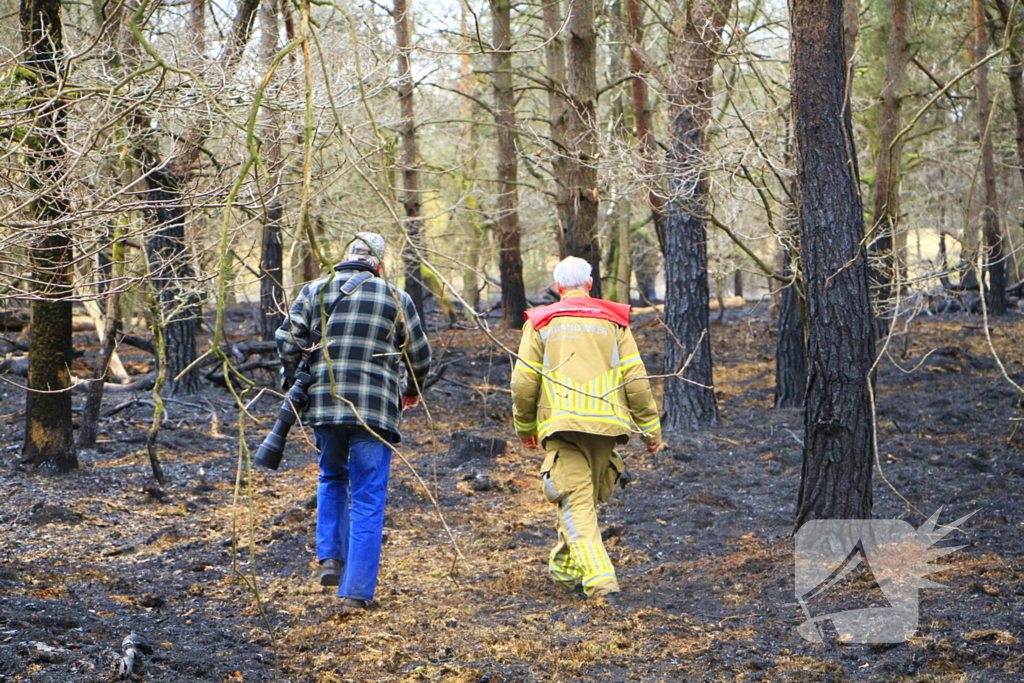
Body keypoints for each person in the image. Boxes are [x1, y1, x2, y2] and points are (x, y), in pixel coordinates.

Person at [276, 232, 430, 609]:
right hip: (375, 412)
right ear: (378, 264)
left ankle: (330, 556)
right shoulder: (396, 297)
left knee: (331, 477)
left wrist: (296, 378)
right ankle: (356, 594)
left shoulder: (315, 290)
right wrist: (412, 389)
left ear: (346, 257)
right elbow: (419, 353)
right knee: (367, 499)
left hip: (325, 407)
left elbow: (286, 340)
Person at [511, 256, 661, 603]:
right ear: (590, 285)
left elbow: (523, 382)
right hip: (607, 429)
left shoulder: (541, 322)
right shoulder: (614, 323)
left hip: (562, 426)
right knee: (579, 500)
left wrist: (524, 427)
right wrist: (651, 428)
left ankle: (601, 583)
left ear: (558, 287)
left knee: (577, 504)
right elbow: (636, 380)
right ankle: (563, 572)